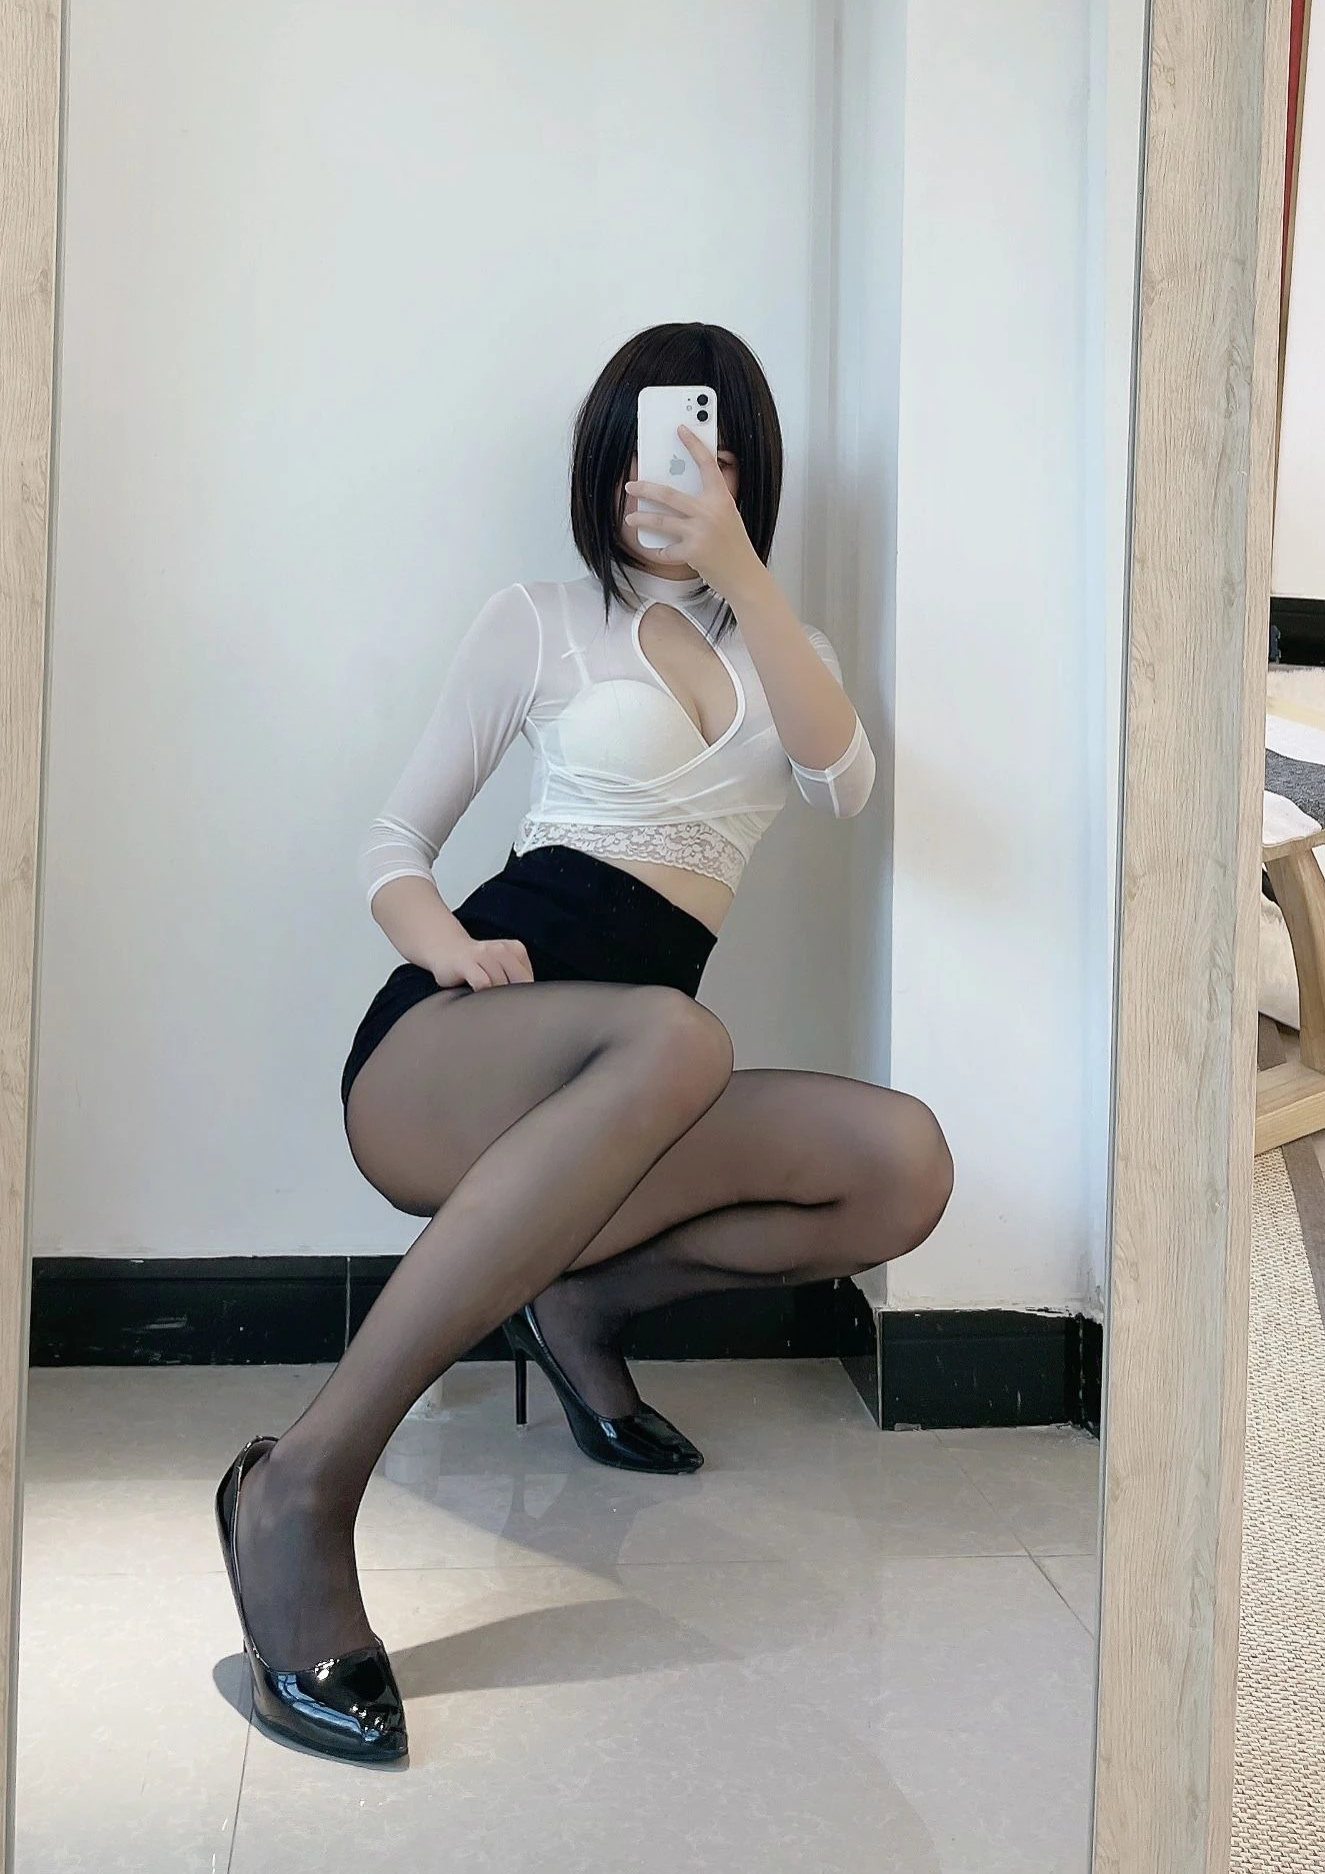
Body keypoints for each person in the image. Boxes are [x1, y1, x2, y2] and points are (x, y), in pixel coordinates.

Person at [216, 322, 953, 1764]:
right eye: (631, 449)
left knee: (899, 1165)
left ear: (741, 472)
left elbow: (844, 783)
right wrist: (443, 944)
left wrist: (745, 576)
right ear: (594, 466)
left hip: (638, 1082)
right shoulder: (540, 621)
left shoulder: (787, 652)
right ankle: (298, 1484)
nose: (654, 478)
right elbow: (391, 844)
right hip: (455, 1054)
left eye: (692, 449)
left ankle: (582, 1307)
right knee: (681, 1038)